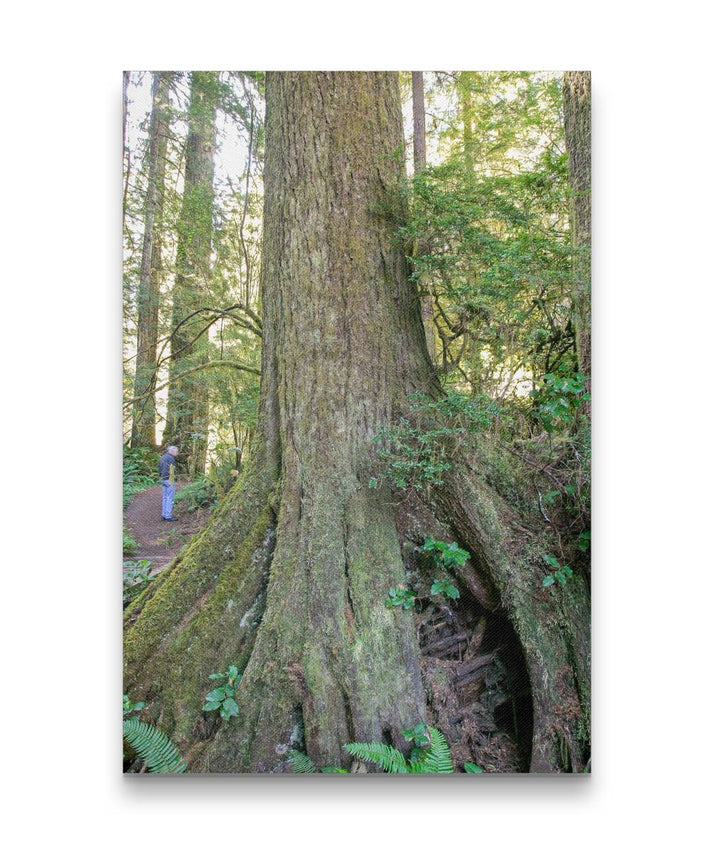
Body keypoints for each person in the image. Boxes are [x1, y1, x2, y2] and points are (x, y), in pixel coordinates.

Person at [158, 446, 179, 521]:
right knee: (170, 498)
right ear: (172, 451)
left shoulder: (163, 457)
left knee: (165, 497)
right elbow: (172, 470)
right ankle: (168, 516)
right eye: (176, 451)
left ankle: (164, 514)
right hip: (169, 479)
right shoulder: (171, 459)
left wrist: (161, 476)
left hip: (163, 479)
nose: (177, 453)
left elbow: (159, 467)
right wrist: (173, 479)